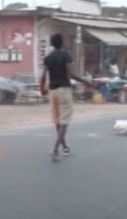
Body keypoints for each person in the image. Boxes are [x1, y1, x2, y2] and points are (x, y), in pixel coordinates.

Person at [40, 33, 91, 162]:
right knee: (64, 122)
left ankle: (65, 147)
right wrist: (85, 81)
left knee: (57, 120)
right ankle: (56, 149)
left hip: (53, 91)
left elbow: (43, 75)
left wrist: (42, 89)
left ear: (51, 44)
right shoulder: (66, 56)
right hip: (64, 90)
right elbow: (71, 74)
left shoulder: (48, 58)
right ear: (62, 42)